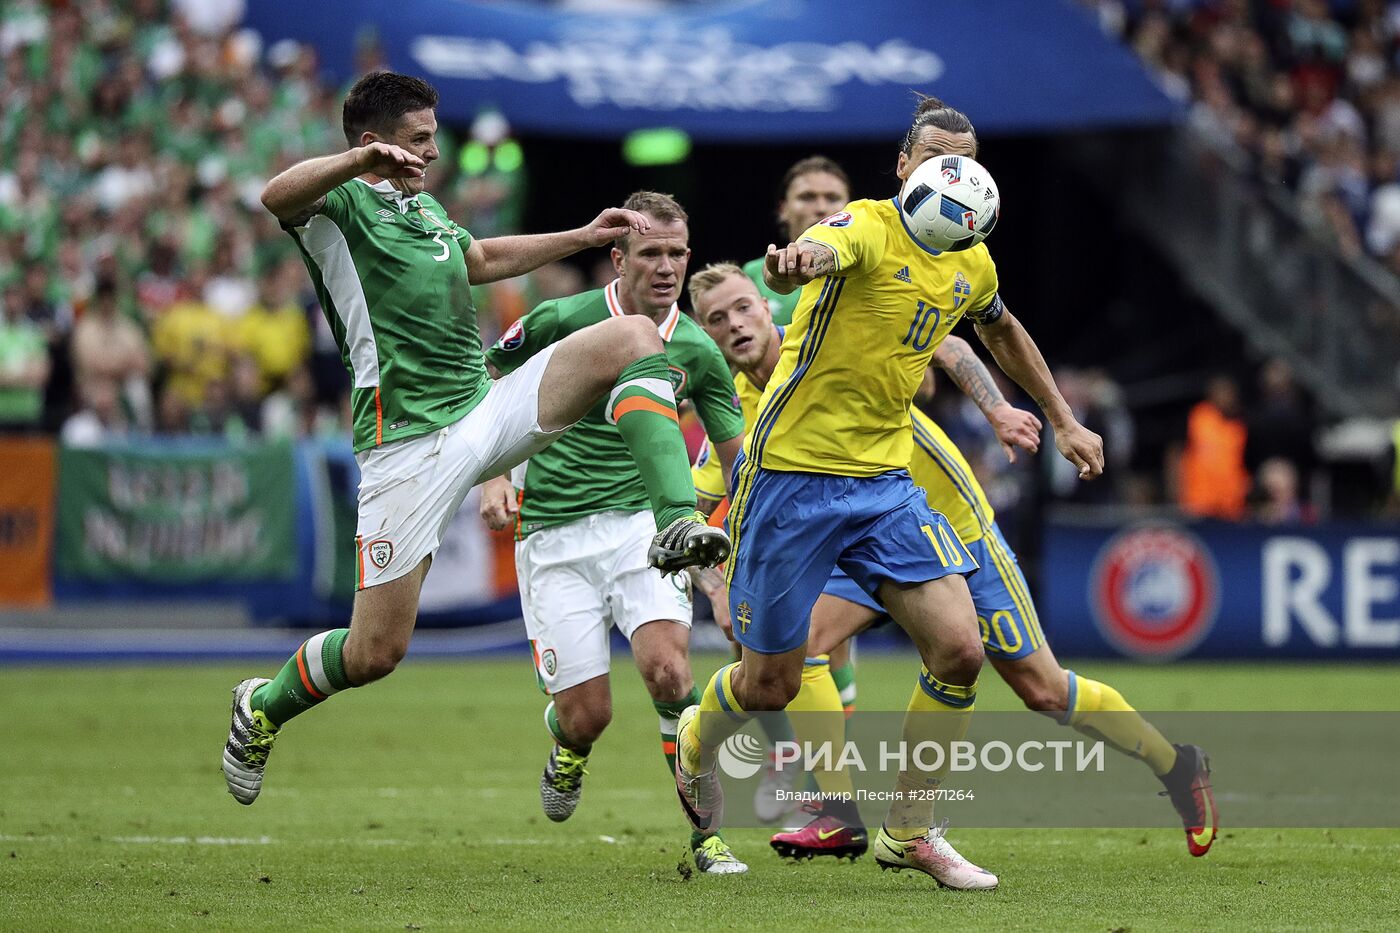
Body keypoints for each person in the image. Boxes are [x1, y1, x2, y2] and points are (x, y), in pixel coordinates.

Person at [222, 72, 728, 807]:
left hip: (484, 406)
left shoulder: (424, 210)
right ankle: (260, 707)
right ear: (374, 141)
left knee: (632, 336)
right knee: (374, 652)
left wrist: (583, 237)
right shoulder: (339, 205)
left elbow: (479, 261)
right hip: (407, 443)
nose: (433, 151)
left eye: (433, 137)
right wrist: (359, 165)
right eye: (420, 139)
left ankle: (676, 518)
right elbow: (275, 194)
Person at [672, 96, 1106, 891]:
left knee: (961, 648)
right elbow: (820, 250)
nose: (953, 173)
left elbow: (999, 328)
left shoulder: (971, 256)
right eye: (938, 157)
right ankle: (697, 739)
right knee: (768, 680)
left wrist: (1061, 417)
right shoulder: (867, 225)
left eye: (967, 162)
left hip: (884, 484)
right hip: (792, 477)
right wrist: (793, 262)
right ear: (905, 165)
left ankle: (910, 833)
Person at [690, 264, 1218, 863]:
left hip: (956, 532)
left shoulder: (823, 329)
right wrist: (712, 588)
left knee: (1043, 691)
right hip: (866, 543)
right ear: (706, 338)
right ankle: (838, 811)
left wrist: (995, 411)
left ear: (766, 306)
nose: (734, 325)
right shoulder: (733, 417)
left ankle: (1176, 765)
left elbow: (950, 343)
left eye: (742, 309)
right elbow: (694, 507)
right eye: (716, 320)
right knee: (803, 646)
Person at [476, 191, 749, 875]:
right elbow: (487, 376)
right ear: (617, 257)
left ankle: (706, 835)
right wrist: (492, 476)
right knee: (587, 714)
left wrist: (735, 566)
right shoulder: (563, 318)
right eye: (650, 252)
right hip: (553, 533)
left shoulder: (699, 350)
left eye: (677, 253)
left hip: (642, 531)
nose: (665, 266)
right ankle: (568, 747)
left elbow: (736, 461)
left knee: (670, 672)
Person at [742, 156, 850, 327]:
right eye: (807, 197)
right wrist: (780, 278)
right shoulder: (751, 275)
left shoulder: (867, 267)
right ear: (783, 209)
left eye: (832, 198)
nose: (821, 208)